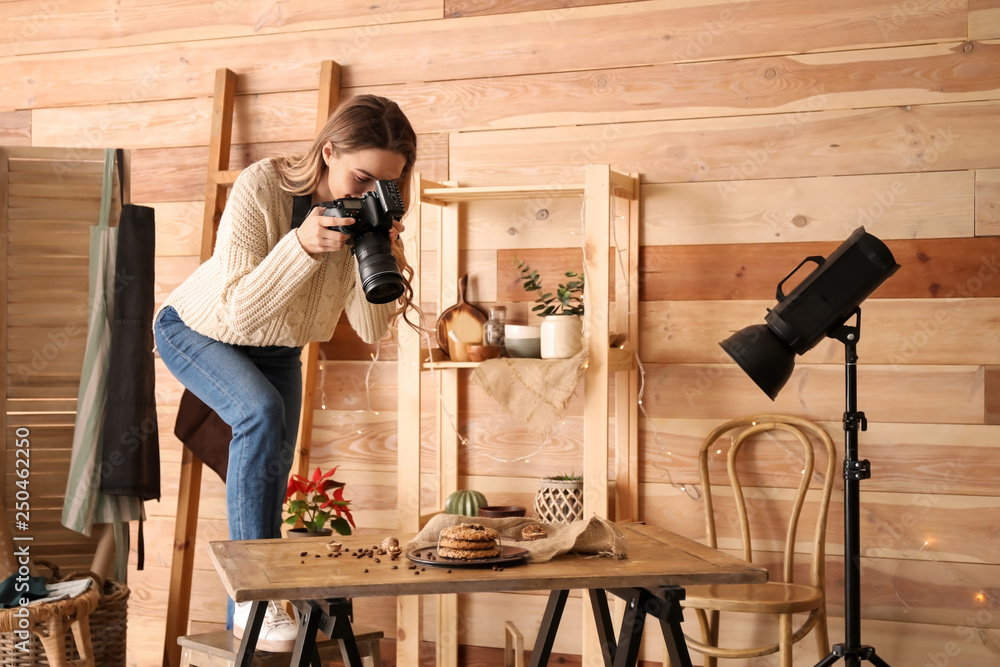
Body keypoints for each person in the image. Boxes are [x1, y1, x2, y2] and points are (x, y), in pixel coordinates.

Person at [153, 95, 418, 651]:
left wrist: (380, 249)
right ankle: (259, 603)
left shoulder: (369, 211)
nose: (369, 193)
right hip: (198, 328)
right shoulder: (262, 187)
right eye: (361, 176)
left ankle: (244, 613)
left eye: (385, 185)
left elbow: (371, 331)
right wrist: (300, 245)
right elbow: (238, 311)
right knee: (260, 411)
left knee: (269, 481)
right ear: (328, 152)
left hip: (278, 349)